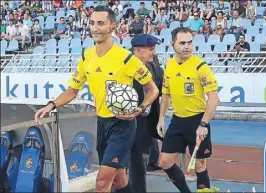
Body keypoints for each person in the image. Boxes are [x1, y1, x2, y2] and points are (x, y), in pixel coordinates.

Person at [34, 6, 159, 193]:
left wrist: (140, 108)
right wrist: (51, 105)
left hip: (123, 126)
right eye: (92, 23)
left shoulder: (126, 58)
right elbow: (71, 91)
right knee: (118, 181)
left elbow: (152, 89)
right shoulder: (87, 57)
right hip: (102, 123)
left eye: (101, 23)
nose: (95, 28)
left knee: (101, 183)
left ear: (113, 26)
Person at [156, 27, 219, 192]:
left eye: (190, 42)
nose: (187, 46)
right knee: (164, 162)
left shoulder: (201, 67)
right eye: (182, 43)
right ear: (173, 44)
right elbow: (166, 94)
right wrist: (161, 118)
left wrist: (204, 124)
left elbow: (214, 97)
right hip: (177, 121)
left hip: (197, 121)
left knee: (199, 165)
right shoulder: (169, 65)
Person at [128, 34, 164, 193]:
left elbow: (165, 89)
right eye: (150, 49)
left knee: (138, 163)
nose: (154, 53)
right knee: (119, 162)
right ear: (138, 50)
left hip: (145, 123)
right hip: (124, 121)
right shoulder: (124, 66)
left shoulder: (155, 67)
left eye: (154, 49)